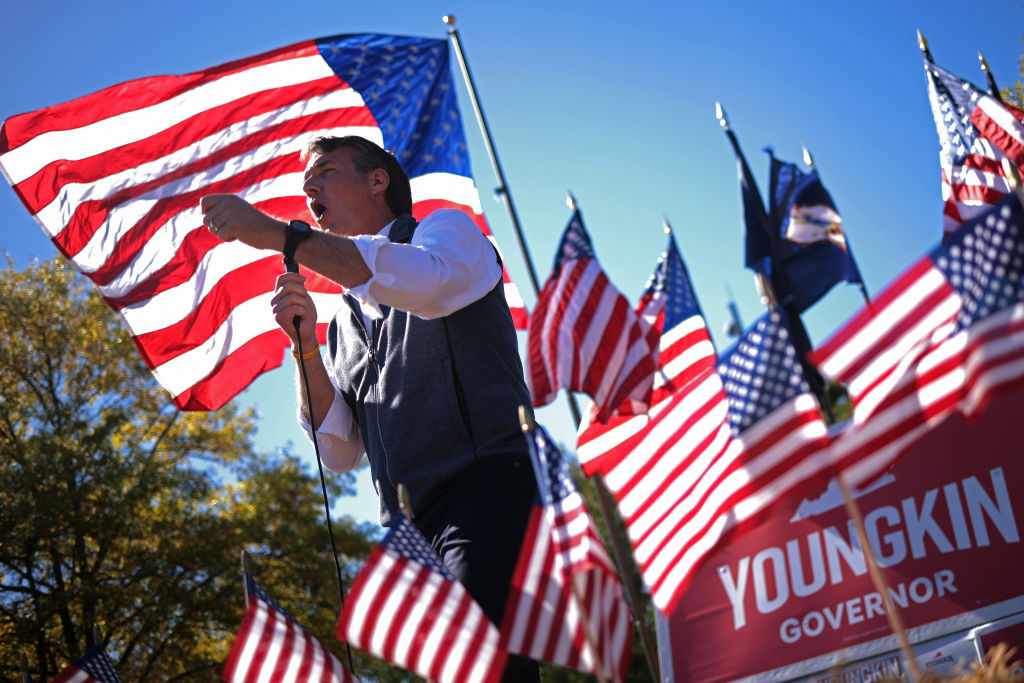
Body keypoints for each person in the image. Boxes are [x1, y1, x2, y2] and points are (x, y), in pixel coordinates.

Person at [200, 135, 539, 682]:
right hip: (408, 532)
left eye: (326, 171)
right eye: (306, 183)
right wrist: (305, 344)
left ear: (378, 180)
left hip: (486, 489)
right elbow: (338, 448)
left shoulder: (445, 231)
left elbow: (426, 283)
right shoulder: (343, 322)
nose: (310, 187)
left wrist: (278, 235)